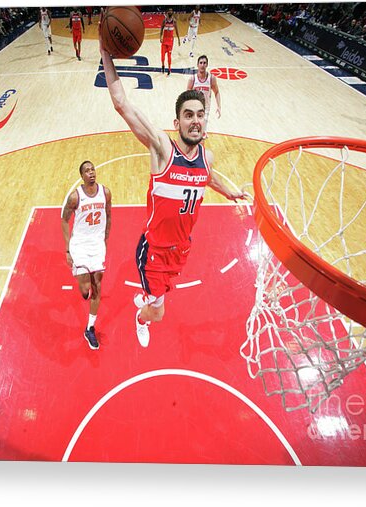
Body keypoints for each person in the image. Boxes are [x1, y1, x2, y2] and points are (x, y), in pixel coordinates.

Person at [99, 39, 246, 348]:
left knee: (159, 298)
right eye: (188, 115)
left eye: (200, 114)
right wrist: (104, 53)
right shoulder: (162, 149)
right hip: (153, 252)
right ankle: (140, 317)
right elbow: (122, 104)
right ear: (177, 122)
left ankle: (148, 298)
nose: (195, 120)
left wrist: (230, 192)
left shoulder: (207, 157)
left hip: (181, 250)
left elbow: (208, 177)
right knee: (159, 312)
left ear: (205, 121)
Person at [61, 160, 112, 350]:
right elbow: (64, 220)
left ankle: (90, 328)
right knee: (85, 289)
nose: (91, 172)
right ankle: (84, 286)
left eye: (93, 169)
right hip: (80, 245)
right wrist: (67, 249)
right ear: (81, 176)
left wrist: (106, 238)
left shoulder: (105, 192)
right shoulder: (75, 197)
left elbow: (109, 214)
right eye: (87, 171)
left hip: (97, 244)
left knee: (97, 285)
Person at [187, 55, 221, 139]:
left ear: (207, 65)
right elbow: (187, 94)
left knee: (201, 133)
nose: (202, 65)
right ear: (197, 65)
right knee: (192, 131)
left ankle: (201, 148)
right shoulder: (192, 79)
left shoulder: (211, 78)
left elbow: (216, 92)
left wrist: (219, 106)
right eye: (201, 63)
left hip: (205, 107)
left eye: (204, 63)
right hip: (194, 107)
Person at [160, 8, 180, 76]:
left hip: (170, 41)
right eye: (169, 10)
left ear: (172, 12)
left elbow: (177, 30)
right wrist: (160, 37)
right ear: (167, 12)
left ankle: (169, 69)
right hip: (164, 41)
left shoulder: (174, 21)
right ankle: (163, 66)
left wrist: (178, 39)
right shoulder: (164, 21)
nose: (170, 11)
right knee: (162, 57)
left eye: (171, 10)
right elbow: (161, 29)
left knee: (169, 56)